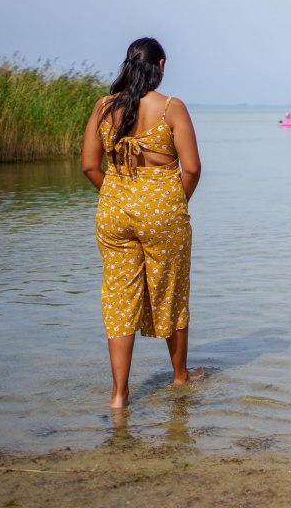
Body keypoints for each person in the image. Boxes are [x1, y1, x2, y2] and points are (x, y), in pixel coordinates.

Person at [81, 37, 203, 409]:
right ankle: (180, 377)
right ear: (161, 66)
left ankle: (119, 395)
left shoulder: (104, 107)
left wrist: (120, 193)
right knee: (171, 291)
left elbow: (89, 166)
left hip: (114, 210)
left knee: (118, 300)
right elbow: (192, 168)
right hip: (162, 211)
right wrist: (170, 202)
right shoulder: (170, 108)